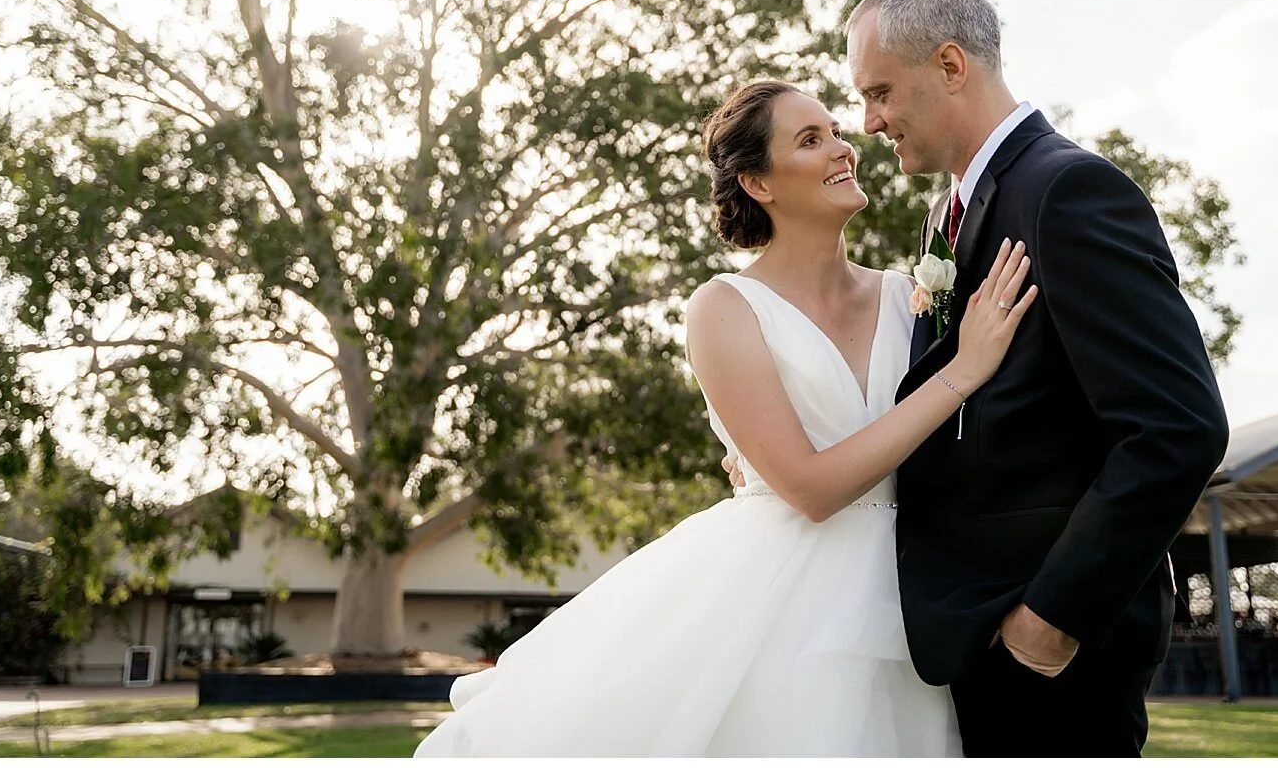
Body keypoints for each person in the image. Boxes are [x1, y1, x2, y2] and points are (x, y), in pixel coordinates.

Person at [413, 80, 1037, 756]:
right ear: (758, 183)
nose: (843, 147)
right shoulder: (723, 307)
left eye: (835, 130)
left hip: (913, 596)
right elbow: (812, 486)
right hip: (776, 602)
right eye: (811, 139)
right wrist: (961, 372)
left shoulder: (907, 297)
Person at [730, 0, 1229, 755]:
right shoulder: (946, 213)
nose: (869, 122)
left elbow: (1178, 427)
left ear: (952, 66)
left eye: (879, 92)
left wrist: (1053, 617)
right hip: (958, 637)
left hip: (1052, 651)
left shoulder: (1066, 190)